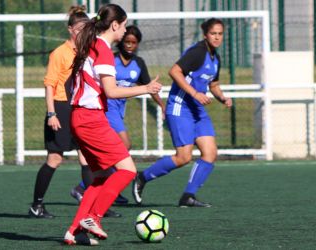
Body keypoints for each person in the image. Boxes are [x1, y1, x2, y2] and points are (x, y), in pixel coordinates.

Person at [63, 4, 161, 245]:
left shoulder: (90, 44)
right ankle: (94, 218)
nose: (125, 29)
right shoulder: (104, 49)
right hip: (90, 118)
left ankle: (74, 229)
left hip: (79, 117)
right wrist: (146, 88)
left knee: (100, 177)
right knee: (127, 169)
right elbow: (112, 90)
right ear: (115, 25)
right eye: (124, 24)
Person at [132, 18, 232, 208]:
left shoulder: (215, 57)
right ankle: (142, 177)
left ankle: (188, 196)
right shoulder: (198, 52)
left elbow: (214, 84)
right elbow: (174, 71)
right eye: (213, 33)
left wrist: (223, 98)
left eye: (220, 33)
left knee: (210, 153)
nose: (217, 37)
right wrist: (194, 93)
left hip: (197, 109)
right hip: (180, 107)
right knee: (183, 157)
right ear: (205, 35)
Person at [69, 25, 165, 204]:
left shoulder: (138, 63)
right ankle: (101, 188)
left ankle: (90, 187)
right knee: (124, 147)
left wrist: (161, 105)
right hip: (105, 108)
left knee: (115, 155)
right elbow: (110, 89)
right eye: (127, 41)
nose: (129, 45)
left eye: (133, 43)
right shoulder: (109, 57)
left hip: (119, 110)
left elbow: (149, 86)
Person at [28, 5, 93, 220]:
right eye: (79, 28)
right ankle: (36, 205)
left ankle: (93, 206)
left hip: (78, 108)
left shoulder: (85, 51)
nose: (82, 32)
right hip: (60, 108)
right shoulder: (60, 53)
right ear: (70, 29)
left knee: (86, 157)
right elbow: (49, 85)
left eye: (86, 28)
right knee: (55, 158)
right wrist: (51, 114)